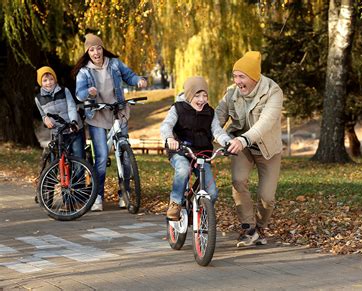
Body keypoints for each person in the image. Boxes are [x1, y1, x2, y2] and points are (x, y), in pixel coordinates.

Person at [215, 51, 284, 247]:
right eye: (235, 76)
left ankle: (261, 227)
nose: (237, 81)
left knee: (267, 197)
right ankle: (248, 228)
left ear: (254, 76)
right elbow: (217, 117)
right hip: (240, 147)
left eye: (241, 76)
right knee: (238, 180)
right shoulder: (231, 93)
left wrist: (244, 139)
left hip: (268, 149)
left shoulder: (273, 91)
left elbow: (266, 123)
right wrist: (218, 135)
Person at [72, 33, 147, 211]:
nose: (96, 52)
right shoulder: (84, 71)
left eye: (98, 48)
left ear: (102, 48)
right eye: (92, 49)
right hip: (97, 114)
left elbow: (129, 75)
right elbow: (79, 93)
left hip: (117, 111)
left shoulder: (113, 64)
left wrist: (139, 81)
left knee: (125, 155)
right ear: (87, 52)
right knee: (102, 157)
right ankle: (97, 196)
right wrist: (87, 92)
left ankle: (125, 193)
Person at [160, 76, 231, 220]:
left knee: (212, 193)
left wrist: (227, 142)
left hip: (201, 154)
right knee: (183, 170)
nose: (202, 99)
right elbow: (166, 125)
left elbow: (217, 131)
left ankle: (198, 215)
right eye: (197, 95)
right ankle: (175, 203)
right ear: (189, 95)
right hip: (180, 151)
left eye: (205, 95)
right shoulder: (178, 108)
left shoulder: (209, 112)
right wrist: (169, 138)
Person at [35, 66, 84, 159]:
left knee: (78, 157)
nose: (48, 82)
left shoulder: (64, 91)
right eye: (45, 80)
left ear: (55, 79)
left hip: (73, 129)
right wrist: (45, 119)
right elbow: (43, 114)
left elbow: (71, 107)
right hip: (57, 132)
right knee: (59, 159)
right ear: (40, 82)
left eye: (51, 79)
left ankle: (78, 173)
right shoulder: (38, 99)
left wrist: (74, 122)